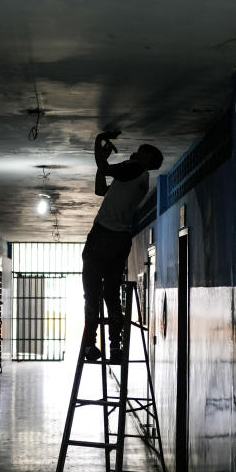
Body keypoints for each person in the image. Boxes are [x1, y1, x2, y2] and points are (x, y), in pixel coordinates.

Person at [81, 130, 163, 363]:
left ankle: (89, 346)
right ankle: (115, 347)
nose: (138, 150)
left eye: (144, 150)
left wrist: (99, 140)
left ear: (149, 161)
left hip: (102, 237)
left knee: (92, 294)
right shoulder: (135, 177)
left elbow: (105, 169)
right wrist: (103, 165)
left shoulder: (136, 168)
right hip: (120, 240)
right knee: (111, 296)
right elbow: (101, 189)